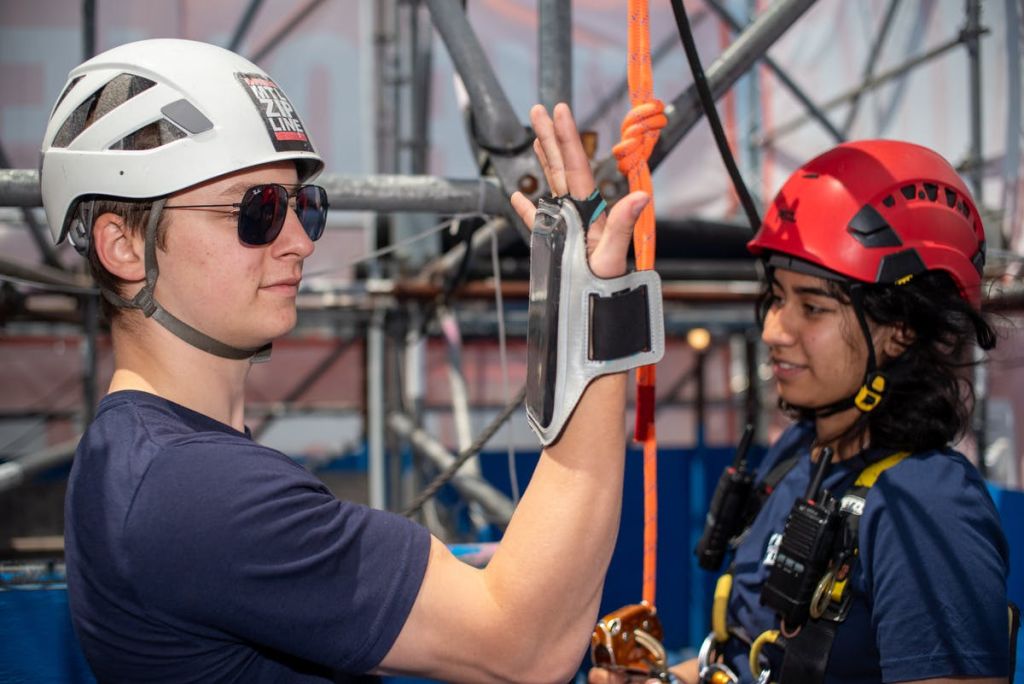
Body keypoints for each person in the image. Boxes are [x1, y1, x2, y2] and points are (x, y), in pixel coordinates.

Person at [42, 38, 651, 682]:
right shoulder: (191, 489)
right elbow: (522, 647)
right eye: (258, 211)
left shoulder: (139, 456)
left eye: (302, 205)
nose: (301, 241)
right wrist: (598, 315)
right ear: (124, 246)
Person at [591, 140, 1011, 684]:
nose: (772, 330)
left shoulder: (926, 508)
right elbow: (751, 660)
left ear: (901, 329)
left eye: (811, 307)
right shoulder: (799, 454)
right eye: (777, 297)